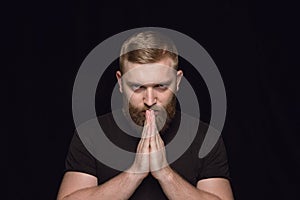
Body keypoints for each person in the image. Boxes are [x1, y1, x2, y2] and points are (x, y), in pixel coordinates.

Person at [57, 31, 234, 200]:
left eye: (161, 86)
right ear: (120, 82)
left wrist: (165, 174)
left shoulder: (205, 137)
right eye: (138, 87)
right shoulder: (91, 134)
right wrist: (134, 173)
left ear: (178, 81)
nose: (150, 100)